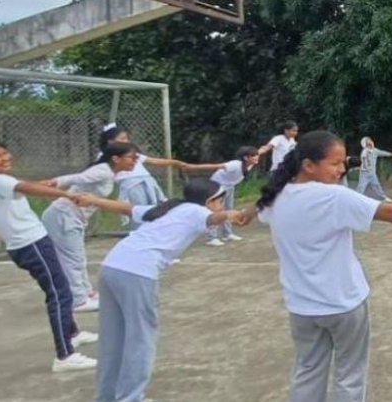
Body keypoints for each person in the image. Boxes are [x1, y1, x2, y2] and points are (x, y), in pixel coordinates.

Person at [251, 130, 392, 402]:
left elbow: (259, 211)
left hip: (301, 307)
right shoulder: (332, 197)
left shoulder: (275, 199)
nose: (342, 170)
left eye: (344, 162)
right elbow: (389, 211)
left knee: (307, 370)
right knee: (349, 375)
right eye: (335, 163)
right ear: (308, 165)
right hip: (343, 303)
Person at [76, 179, 249, 402]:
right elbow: (210, 218)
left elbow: (127, 209)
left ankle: (107, 397)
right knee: (140, 340)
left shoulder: (170, 208)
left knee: (113, 339)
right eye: (221, 201)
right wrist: (227, 215)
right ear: (209, 201)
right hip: (137, 273)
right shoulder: (196, 211)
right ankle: (131, 398)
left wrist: (94, 200)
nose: (222, 205)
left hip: (112, 266)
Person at [0, 138, 98, 372]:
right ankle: (65, 356)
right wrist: (66, 195)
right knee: (60, 294)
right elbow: (25, 188)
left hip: (30, 242)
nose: (5, 158)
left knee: (58, 290)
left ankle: (72, 333)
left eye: (5, 153)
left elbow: (20, 186)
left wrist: (44, 185)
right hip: (31, 244)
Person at [41, 142, 138, 312]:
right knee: (72, 259)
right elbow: (75, 178)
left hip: (72, 217)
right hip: (63, 216)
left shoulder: (108, 173)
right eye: (131, 157)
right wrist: (52, 183)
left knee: (78, 257)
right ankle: (78, 300)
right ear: (116, 159)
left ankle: (87, 293)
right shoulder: (102, 171)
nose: (135, 161)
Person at [101, 125, 189, 229]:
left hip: (148, 181)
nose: (126, 141)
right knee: (139, 209)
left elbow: (153, 161)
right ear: (110, 141)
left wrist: (175, 162)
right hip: (131, 184)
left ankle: (157, 230)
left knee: (157, 206)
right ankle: (139, 231)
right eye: (122, 138)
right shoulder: (105, 156)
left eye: (127, 138)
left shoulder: (132, 153)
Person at [206, 145, 260, 246]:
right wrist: (190, 167)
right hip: (218, 186)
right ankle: (211, 238)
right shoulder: (234, 164)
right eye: (253, 156)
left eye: (257, 155)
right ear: (246, 158)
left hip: (230, 186)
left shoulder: (250, 163)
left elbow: (262, 150)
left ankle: (227, 234)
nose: (256, 157)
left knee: (228, 209)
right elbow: (216, 167)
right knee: (217, 211)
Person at [357, 137, 392, 202]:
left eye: (370, 141)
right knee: (361, 187)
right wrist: (365, 167)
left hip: (372, 173)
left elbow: (382, 152)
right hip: (365, 173)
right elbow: (363, 160)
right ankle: (356, 199)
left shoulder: (375, 150)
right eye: (368, 142)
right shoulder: (365, 152)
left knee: (377, 185)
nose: (371, 142)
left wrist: (390, 154)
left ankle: (383, 197)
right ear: (366, 144)